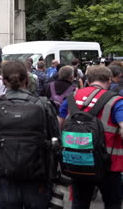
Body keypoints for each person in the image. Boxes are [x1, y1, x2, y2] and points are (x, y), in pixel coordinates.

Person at [0, 61, 60, 209]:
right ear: (27, 80)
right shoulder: (43, 104)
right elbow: (56, 139)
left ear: (3, 81)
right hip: (38, 171)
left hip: (5, 171)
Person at [58, 66, 123, 209]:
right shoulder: (116, 101)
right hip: (109, 165)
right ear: (109, 80)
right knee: (112, 203)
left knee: (80, 203)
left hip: (78, 161)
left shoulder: (72, 97)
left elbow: (58, 125)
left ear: (88, 80)